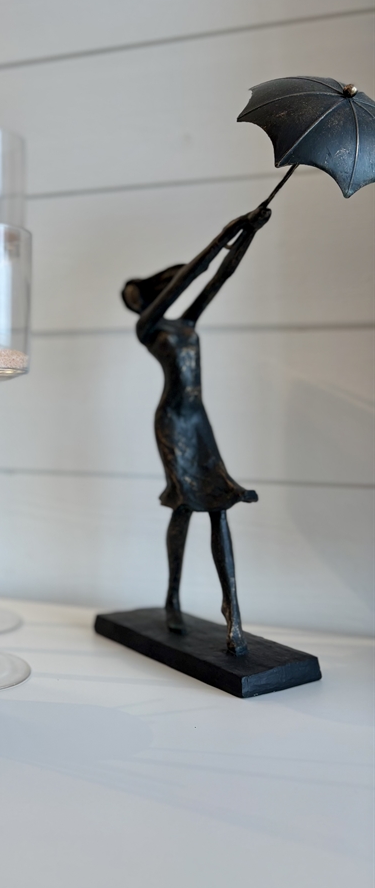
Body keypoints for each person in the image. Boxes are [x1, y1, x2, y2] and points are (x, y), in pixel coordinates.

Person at [121, 203, 272, 654]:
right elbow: (191, 275)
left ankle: (232, 612)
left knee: (219, 504)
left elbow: (219, 275)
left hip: (197, 419)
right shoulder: (147, 327)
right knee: (186, 503)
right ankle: (173, 597)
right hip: (172, 422)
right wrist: (227, 231)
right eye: (132, 298)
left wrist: (249, 233)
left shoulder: (186, 322)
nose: (136, 300)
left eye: (136, 292)